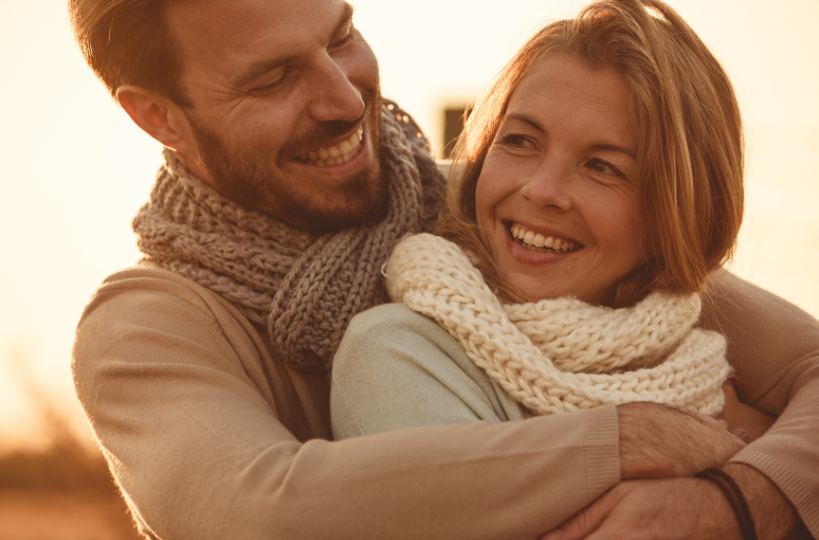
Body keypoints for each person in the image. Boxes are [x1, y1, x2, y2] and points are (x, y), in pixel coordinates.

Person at [67, 0, 817, 538]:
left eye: (342, 36)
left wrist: (738, 498)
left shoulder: (497, 212)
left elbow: (804, 362)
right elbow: (258, 512)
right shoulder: (147, 326)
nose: (341, 97)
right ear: (158, 117)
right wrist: (631, 441)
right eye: (272, 79)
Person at [330, 2, 815, 538]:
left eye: (602, 166)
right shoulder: (398, 355)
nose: (540, 189)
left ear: (679, 211)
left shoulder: (704, 361)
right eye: (520, 140)